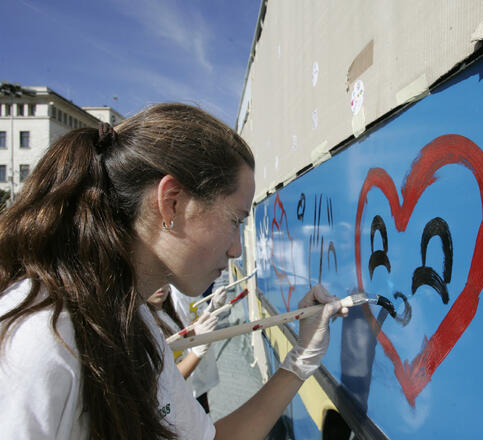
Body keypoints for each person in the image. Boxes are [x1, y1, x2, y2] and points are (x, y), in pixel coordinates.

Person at [0, 103, 348, 439]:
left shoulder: (137, 322)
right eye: (235, 221)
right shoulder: (37, 343)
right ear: (172, 203)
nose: (237, 249)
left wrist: (300, 360)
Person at [146, 284, 219, 413]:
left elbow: (187, 335)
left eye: (164, 279)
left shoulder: (166, 312)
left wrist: (212, 309)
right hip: (174, 407)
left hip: (187, 394)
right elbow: (168, 379)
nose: (159, 286)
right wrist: (198, 351)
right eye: (152, 281)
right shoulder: (147, 326)